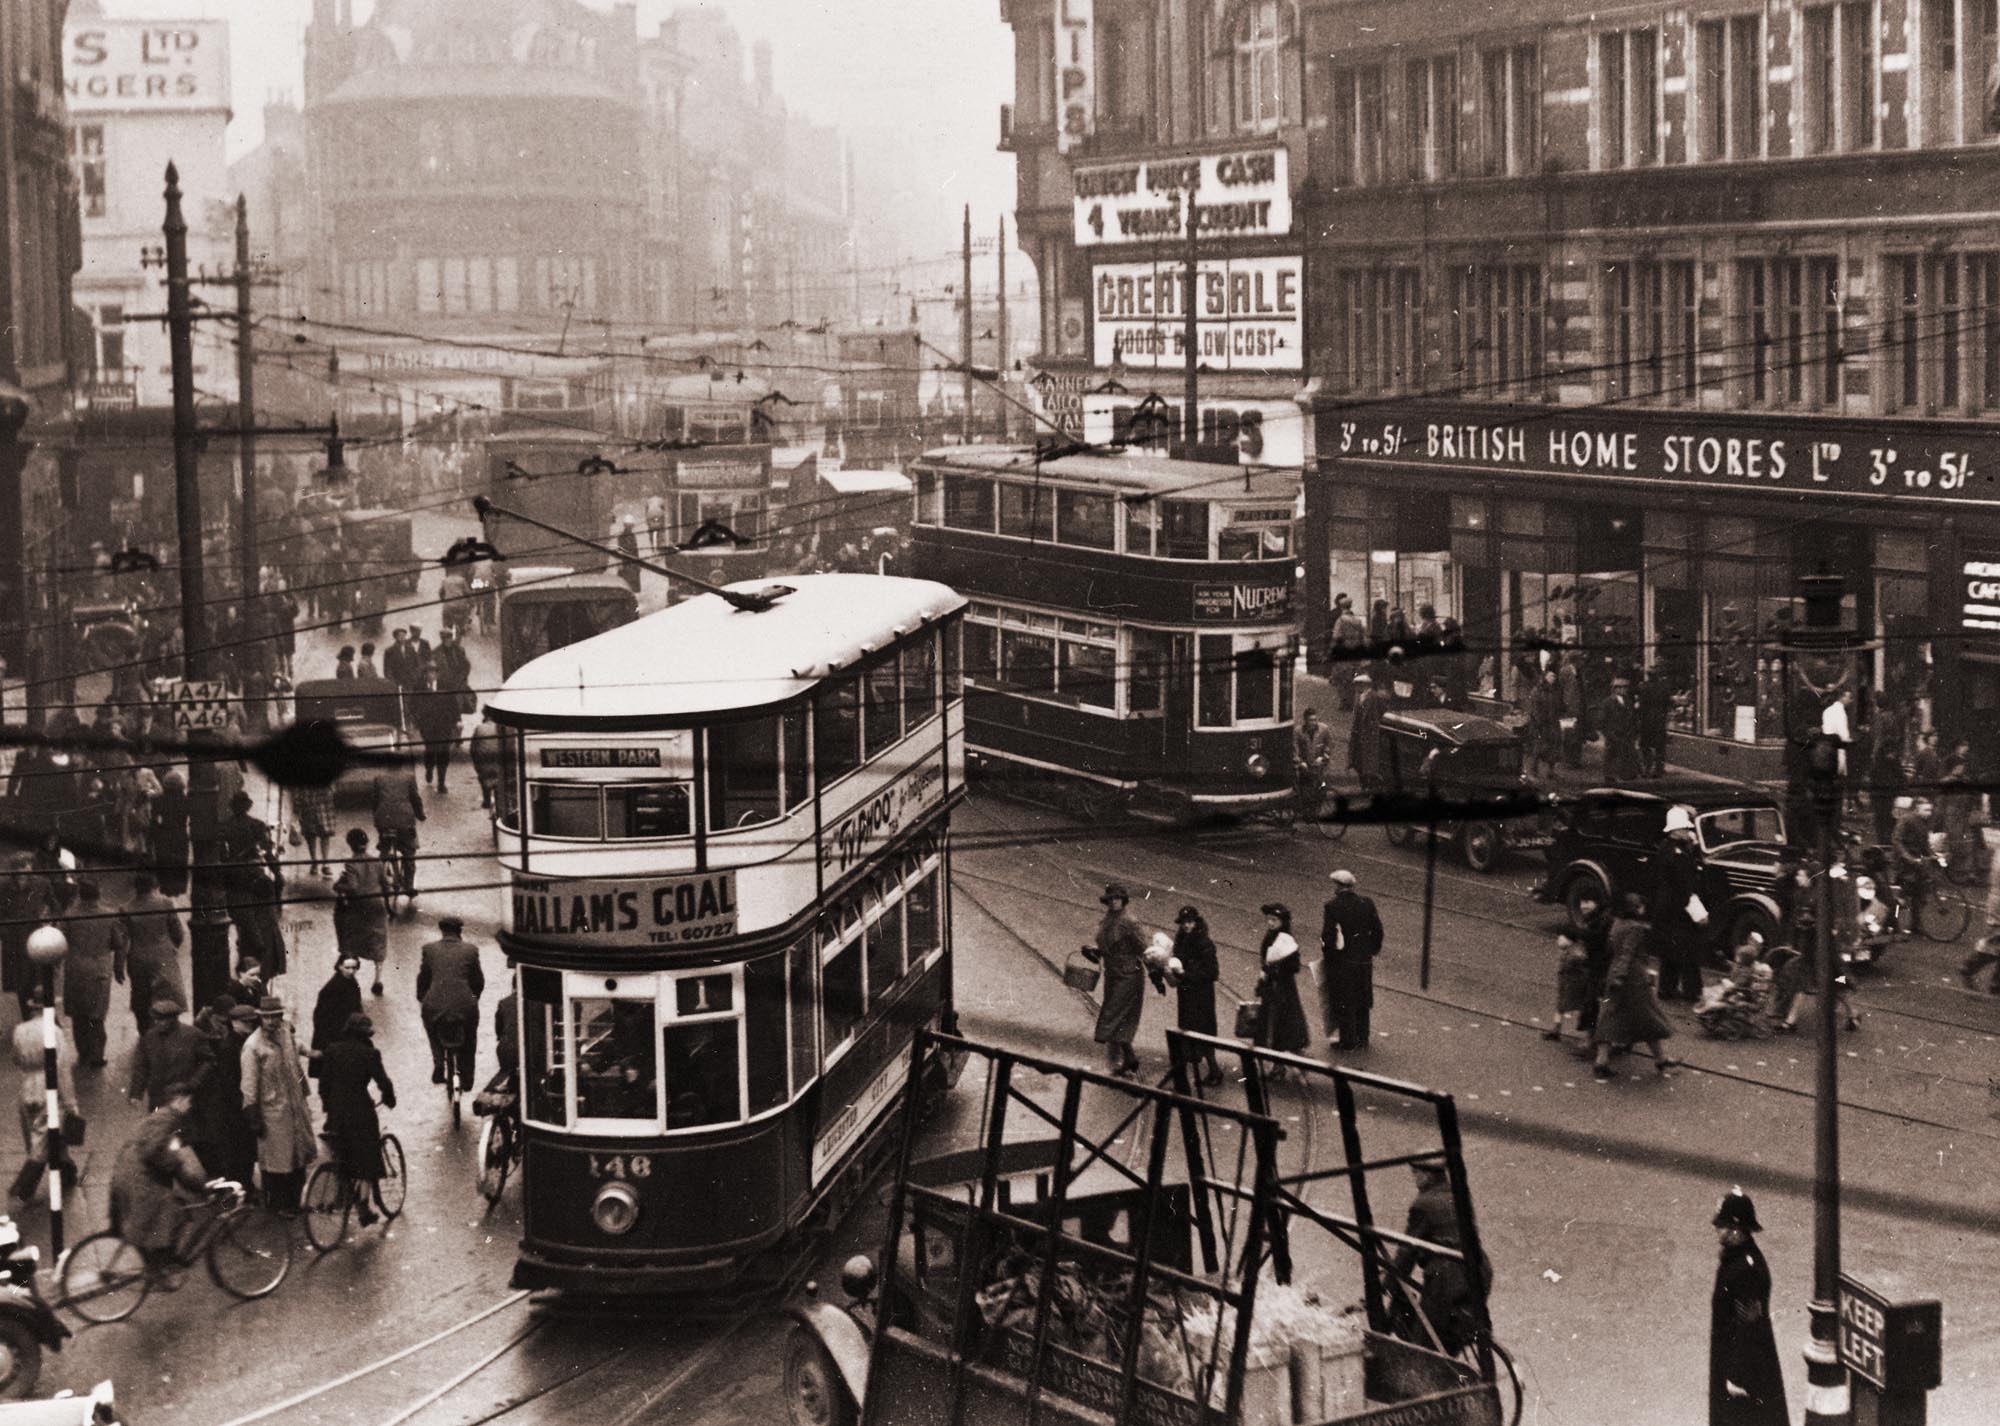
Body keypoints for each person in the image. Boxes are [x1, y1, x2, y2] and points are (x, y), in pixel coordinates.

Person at [1388, 1160, 1494, 1358]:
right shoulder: (1458, 1193)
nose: (1414, 1179)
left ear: (1427, 1175)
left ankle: (1429, 1378)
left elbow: (1407, 1250)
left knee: (1425, 1342)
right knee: (1453, 1328)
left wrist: (1389, 1283)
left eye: (1416, 1174)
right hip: (1478, 1270)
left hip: (1447, 1279)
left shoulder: (1423, 1204)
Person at [109, 1081, 213, 1276]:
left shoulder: (162, 1116)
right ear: (181, 1100)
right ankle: (159, 1265)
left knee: (173, 1212)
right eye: (189, 1102)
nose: (190, 1107)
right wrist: (195, 1183)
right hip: (138, 1177)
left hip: (128, 1172)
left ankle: (158, 1262)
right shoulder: (168, 1119)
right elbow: (156, 1152)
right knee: (171, 1211)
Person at [1709, 1188, 1789, 1425]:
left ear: (1736, 1229)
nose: (1716, 1228)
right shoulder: (1736, 1258)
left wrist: (1736, 1375)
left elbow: (1750, 1326)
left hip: (1745, 1370)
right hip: (1732, 1357)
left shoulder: (1746, 1270)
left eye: (1722, 1225)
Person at [317, 1012, 397, 1226]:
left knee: (341, 1153)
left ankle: (339, 1192)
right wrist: (389, 1099)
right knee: (366, 1160)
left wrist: (328, 1106)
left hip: (336, 1113)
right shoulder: (369, 1054)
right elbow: (383, 1082)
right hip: (360, 1112)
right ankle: (363, 1207)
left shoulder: (332, 1050)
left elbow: (323, 1085)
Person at [241, 996, 315, 1214]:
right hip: (272, 1113)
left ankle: (296, 1202)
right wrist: (253, 1117)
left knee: (297, 1157)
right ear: (260, 1018)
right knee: (277, 1163)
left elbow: (296, 1059)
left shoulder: (285, 1034)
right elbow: (249, 1086)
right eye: (267, 1017)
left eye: (276, 1016)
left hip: (293, 1108)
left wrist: (304, 1092)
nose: (272, 1021)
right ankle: (278, 1205)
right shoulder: (253, 1047)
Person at [1591, 894, 1678, 1081]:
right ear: (1635, 908)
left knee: (1610, 1016)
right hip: (1632, 978)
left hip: (1614, 974)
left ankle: (1602, 1060)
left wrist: (1615, 976)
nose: (1643, 909)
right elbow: (1627, 953)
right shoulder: (1635, 928)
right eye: (1640, 906)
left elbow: (1613, 950)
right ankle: (1660, 1058)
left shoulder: (1617, 923)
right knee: (1646, 1016)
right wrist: (1622, 976)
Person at [8, 987, 77, 1208]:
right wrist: (70, 1102)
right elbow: (63, 1069)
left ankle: (68, 1173)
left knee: (44, 1135)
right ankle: (23, 1187)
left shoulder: (20, 1030)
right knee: (46, 1138)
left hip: (27, 1087)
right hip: (49, 1088)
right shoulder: (54, 1032)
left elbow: (16, 1059)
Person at [190, 1001, 258, 1185]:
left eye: (252, 1022)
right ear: (234, 1022)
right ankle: (241, 1185)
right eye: (246, 1022)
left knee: (245, 1149)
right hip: (235, 1108)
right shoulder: (230, 1047)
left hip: (238, 1104)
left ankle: (245, 1183)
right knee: (239, 1149)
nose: (250, 1026)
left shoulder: (242, 1041)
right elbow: (229, 1082)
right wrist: (243, 1104)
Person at [1084, 885, 1146, 1077]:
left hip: (1128, 974)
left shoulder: (1129, 921)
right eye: (1110, 899)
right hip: (1113, 973)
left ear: (1123, 900)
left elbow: (1143, 947)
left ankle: (1128, 1057)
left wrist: (1155, 971)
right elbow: (1106, 945)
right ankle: (1129, 1058)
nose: (1113, 902)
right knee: (1119, 1016)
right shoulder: (1108, 920)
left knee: (1114, 1014)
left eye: (1117, 898)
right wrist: (1094, 952)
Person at [1320, 869, 1384, 1052]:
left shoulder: (1332, 906)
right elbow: (1378, 930)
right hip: (1364, 960)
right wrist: (1371, 950)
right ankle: (1363, 1037)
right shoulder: (1367, 903)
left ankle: (1347, 1040)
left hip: (1343, 961)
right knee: (1362, 998)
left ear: (1338, 887)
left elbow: (1328, 936)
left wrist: (1329, 957)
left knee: (1344, 999)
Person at [417, 915, 485, 1088]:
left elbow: (423, 978)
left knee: (431, 1030)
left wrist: (422, 997)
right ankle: (467, 1079)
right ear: (459, 931)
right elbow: (478, 981)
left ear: (442, 930)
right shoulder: (471, 950)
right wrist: (473, 997)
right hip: (464, 1002)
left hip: (435, 1001)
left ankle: (439, 1062)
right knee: (469, 1037)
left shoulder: (429, 949)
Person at [60, 880, 122, 1068]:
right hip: (100, 969)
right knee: (97, 1015)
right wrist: (118, 966)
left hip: (76, 969)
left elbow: (60, 942)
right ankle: (97, 1056)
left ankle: (83, 1052)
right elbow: (117, 944)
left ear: (80, 894)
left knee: (79, 1015)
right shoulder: (109, 915)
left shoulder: (69, 915)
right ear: (98, 894)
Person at [1652, 805, 1708, 1001]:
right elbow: (1686, 887)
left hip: (1666, 908)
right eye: (1685, 829)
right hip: (1679, 910)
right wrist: (1699, 914)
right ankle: (1692, 991)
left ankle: (1666, 989)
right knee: (1688, 951)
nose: (1688, 831)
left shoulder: (1666, 848)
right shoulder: (1679, 855)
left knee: (1670, 952)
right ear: (1676, 831)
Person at [120, 870, 186, 1034]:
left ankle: (146, 1036)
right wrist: (172, 947)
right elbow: (178, 933)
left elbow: (122, 941)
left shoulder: (126, 908)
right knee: (166, 995)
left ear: (135, 887)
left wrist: (118, 965)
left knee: (141, 1001)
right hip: (163, 955)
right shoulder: (166, 903)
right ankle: (168, 1033)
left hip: (138, 958)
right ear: (153, 885)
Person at [1166, 906, 1222, 1085]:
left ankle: (1214, 1071)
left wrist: (1186, 974)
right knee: (1188, 1033)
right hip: (1187, 994)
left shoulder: (1204, 943)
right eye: (1184, 923)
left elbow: (1212, 972)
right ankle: (1202, 1072)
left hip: (1201, 996)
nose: (1186, 926)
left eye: (1189, 922)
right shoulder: (1181, 940)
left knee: (1202, 1033)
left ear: (1196, 922)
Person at [334, 829, 391, 994]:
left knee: (352, 941)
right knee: (378, 941)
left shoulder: (351, 864)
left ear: (350, 845)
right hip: (377, 905)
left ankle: (352, 979)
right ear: (367, 844)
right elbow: (386, 884)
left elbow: (353, 887)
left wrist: (338, 886)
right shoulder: (377, 862)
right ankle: (378, 979)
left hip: (358, 907)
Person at [1253, 902, 1311, 1065]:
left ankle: (1282, 1061)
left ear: (1282, 922)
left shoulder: (1287, 940)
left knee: (1281, 1023)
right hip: (1270, 986)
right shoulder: (1270, 936)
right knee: (1271, 1023)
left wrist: (1277, 970)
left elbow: (1294, 966)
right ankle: (1277, 1060)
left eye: (1274, 920)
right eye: (1269, 919)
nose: (1270, 923)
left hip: (1283, 988)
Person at [127, 997, 208, 1111]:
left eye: (162, 1020)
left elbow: (207, 1061)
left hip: (183, 1096)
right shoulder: (149, 1037)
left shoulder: (193, 1035)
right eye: (156, 1019)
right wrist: (136, 1094)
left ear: (173, 1019)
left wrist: (193, 1083)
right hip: (157, 1097)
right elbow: (141, 1066)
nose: (157, 1023)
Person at [371, 764, 425, 904]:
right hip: (404, 821)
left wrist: (377, 818)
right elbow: (415, 799)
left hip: (384, 820)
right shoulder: (409, 778)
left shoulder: (378, 778)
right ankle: (409, 886)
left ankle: (383, 855)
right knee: (409, 852)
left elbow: (375, 801)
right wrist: (420, 815)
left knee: (384, 845)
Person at [310, 954, 365, 1083]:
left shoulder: (351, 982)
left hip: (346, 1034)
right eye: (347, 967)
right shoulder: (331, 988)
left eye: (354, 968)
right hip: (334, 1037)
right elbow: (321, 1017)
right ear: (340, 966)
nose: (351, 971)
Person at [411, 672, 463, 795]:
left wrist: (458, 719)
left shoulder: (446, 685)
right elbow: (413, 704)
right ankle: (429, 769)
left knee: (443, 752)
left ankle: (441, 783)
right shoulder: (419, 687)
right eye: (429, 672)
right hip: (427, 727)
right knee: (430, 750)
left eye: (434, 672)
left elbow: (453, 704)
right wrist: (416, 720)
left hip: (444, 726)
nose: (432, 675)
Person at [1544, 932, 1592, 1045]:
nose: (1558, 940)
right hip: (1568, 984)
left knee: (1577, 1007)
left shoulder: (1575, 953)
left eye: (1561, 937)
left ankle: (1557, 1030)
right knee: (1563, 1006)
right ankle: (1557, 1029)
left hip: (1574, 985)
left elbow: (1577, 960)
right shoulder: (1573, 951)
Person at [152, 770, 190, 897]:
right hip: (180, 833)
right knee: (179, 861)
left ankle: (166, 887)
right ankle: (178, 889)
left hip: (163, 833)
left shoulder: (158, 799)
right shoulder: (186, 800)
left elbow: (154, 820)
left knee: (164, 861)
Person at [1598, 677, 1639, 784]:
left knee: (1625, 753)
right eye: (1622, 688)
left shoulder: (1628, 701)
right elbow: (1602, 720)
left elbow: (1633, 717)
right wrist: (1608, 733)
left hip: (1626, 733)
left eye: (1625, 687)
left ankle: (1625, 775)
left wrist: (1633, 730)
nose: (1625, 690)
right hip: (1613, 733)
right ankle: (1609, 776)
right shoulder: (1607, 702)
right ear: (1616, 689)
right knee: (1610, 755)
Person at [1636, 666, 1672, 778]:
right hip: (1660, 719)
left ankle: (1647, 767)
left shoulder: (1643, 687)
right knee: (1660, 746)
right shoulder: (1664, 687)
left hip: (1647, 719)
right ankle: (1659, 769)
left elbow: (1641, 704)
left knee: (1645, 744)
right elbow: (1668, 703)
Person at [292, 781, 334, 877]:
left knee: (325, 834)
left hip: (323, 803)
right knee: (311, 835)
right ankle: (314, 862)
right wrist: (297, 806)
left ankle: (325, 863)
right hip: (308, 803)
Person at [1348, 675, 1384, 785]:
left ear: (1365, 685)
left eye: (1358, 684)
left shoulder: (1375, 697)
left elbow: (1381, 715)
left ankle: (1369, 786)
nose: (1356, 687)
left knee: (1369, 765)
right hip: (1359, 735)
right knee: (1358, 763)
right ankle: (1364, 784)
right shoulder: (1358, 697)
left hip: (1370, 736)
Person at [469, 719, 503, 811]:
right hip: (499, 758)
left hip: (483, 758)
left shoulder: (480, 728)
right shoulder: (504, 727)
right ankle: (498, 801)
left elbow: (473, 748)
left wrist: (476, 762)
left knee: (484, 777)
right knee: (498, 777)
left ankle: (487, 800)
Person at [1295, 708, 1333, 788]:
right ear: (1305, 720)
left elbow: (1329, 745)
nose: (1313, 723)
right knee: (1306, 788)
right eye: (1310, 720)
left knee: (1321, 787)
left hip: (1320, 765)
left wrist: (1323, 757)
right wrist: (1300, 762)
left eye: (1315, 720)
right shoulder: (1298, 732)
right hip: (1305, 765)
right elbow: (1294, 749)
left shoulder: (1324, 729)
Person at [616, 517, 642, 593]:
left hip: (632, 561)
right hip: (625, 561)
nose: (629, 527)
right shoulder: (621, 536)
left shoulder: (633, 536)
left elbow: (635, 550)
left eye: (630, 526)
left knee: (631, 580)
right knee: (625, 581)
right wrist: (620, 562)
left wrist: (638, 563)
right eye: (628, 525)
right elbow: (619, 549)